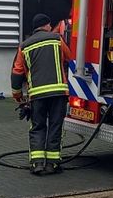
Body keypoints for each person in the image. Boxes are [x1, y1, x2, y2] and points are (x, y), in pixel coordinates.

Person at [11, 13, 73, 174]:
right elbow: (69, 57)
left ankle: (37, 164)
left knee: (38, 127)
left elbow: (17, 72)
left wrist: (18, 96)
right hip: (58, 93)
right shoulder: (57, 39)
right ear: (46, 25)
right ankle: (52, 164)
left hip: (37, 95)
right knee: (55, 126)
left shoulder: (24, 46)